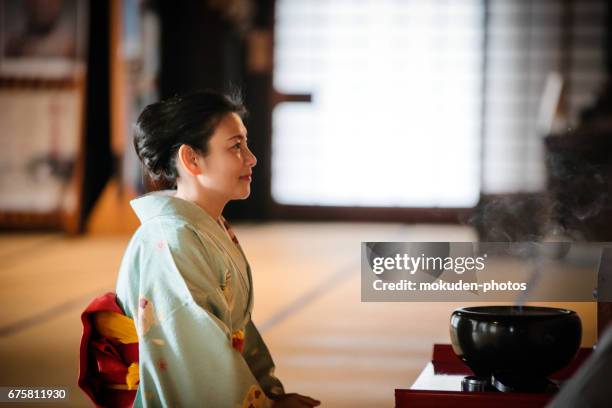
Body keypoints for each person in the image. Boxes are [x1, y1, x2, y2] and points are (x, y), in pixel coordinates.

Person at [114, 90, 320, 407]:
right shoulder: (171, 241)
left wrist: (268, 394)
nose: (251, 157)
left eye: (246, 143)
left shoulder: (204, 227)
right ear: (191, 158)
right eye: (236, 146)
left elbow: (238, 333)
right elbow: (196, 356)